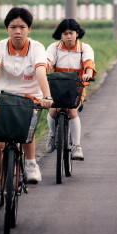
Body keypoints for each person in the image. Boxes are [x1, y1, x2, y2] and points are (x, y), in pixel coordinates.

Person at [0, 7, 53, 214]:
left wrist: (47, 97)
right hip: (1, 98)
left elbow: (40, 71)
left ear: (29, 28)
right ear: (7, 29)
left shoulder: (37, 47)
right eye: (13, 27)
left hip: (29, 98)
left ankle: (30, 163)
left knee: (26, 131)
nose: (17, 31)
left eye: (22, 27)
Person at [45, 18, 96, 160]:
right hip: (57, 85)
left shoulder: (84, 48)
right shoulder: (54, 48)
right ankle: (52, 135)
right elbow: (46, 61)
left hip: (76, 85)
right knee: (53, 109)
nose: (68, 36)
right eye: (65, 33)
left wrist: (87, 74)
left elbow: (89, 63)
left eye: (71, 33)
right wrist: (43, 70)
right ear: (60, 35)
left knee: (72, 110)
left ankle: (76, 146)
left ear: (77, 33)